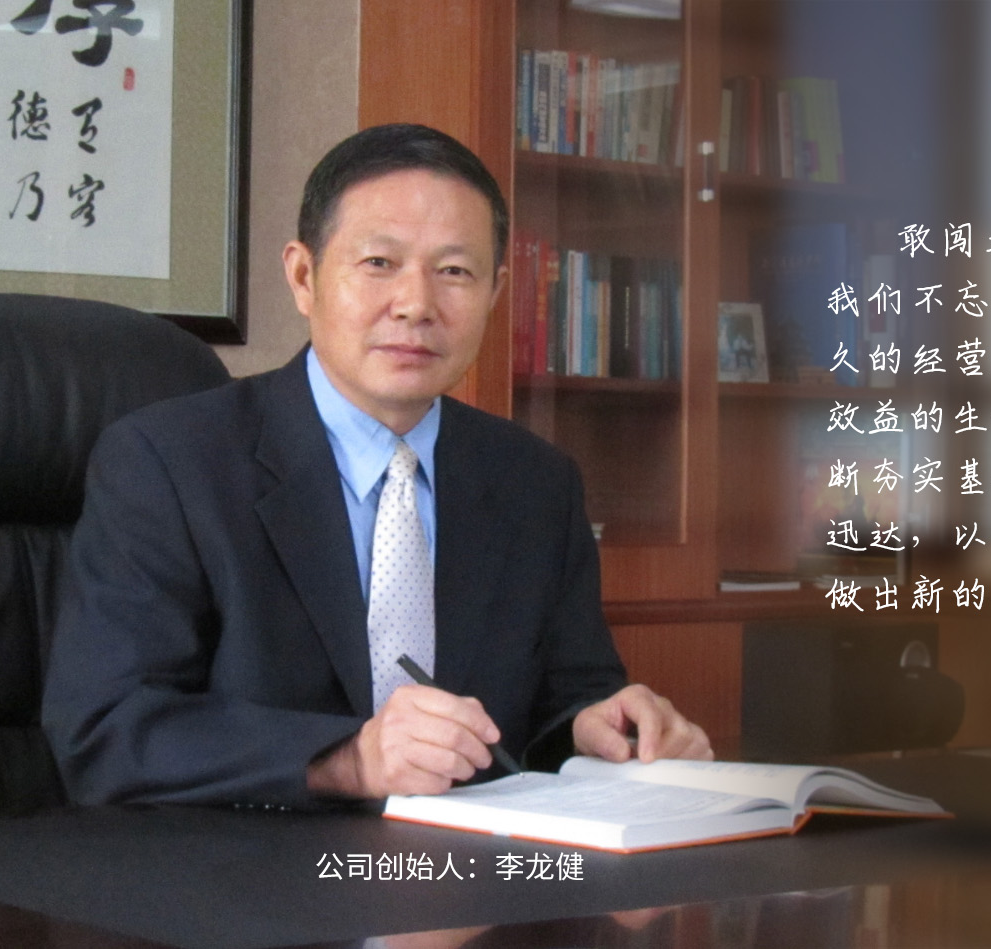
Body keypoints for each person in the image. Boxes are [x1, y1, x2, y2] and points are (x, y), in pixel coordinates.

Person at [42, 124, 710, 807]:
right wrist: (347, 761)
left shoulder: (537, 483)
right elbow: (106, 730)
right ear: (304, 277)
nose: (416, 305)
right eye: (379, 263)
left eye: (455, 272)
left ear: (495, 293)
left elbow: (561, 705)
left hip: (468, 866)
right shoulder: (168, 463)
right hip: (255, 865)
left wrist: (596, 729)